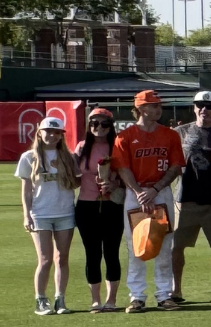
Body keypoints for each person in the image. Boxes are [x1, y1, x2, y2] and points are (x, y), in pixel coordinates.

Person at [113, 89, 185, 312]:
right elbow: (123, 168)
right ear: (141, 108)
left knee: (164, 245)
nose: (158, 109)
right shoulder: (124, 137)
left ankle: (164, 295)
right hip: (135, 195)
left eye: (158, 105)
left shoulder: (170, 135)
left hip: (161, 192)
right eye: (154, 106)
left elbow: (175, 167)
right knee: (136, 246)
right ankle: (137, 296)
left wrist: (155, 189)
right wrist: (139, 192)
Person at [170, 91, 211, 304]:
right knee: (176, 247)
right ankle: (176, 290)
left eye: (209, 106)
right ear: (194, 108)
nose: (204, 109)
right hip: (185, 199)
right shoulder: (179, 132)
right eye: (199, 105)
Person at [17, 116, 79, 315]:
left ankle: (60, 299)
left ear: (61, 135)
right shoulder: (29, 157)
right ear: (39, 132)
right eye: (48, 131)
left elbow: (75, 183)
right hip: (41, 214)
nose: (51, 135)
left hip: (65, 212)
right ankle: (40, 300)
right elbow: (26, 190)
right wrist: (27, 215)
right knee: (44, 259)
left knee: (62, 258)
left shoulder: (69, 157)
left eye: (56, 132)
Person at [73, 108, 125, 312]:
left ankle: (111, 300)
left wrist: (116, 184)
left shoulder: (118, 146)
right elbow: (74, 177)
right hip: (87, 205)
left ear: (111, 126)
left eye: (104, 124)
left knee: (112, 252)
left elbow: (126, 173)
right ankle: (95, 300)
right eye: (94, 123)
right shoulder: (82, 147)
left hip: (112, 205)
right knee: (92, 254)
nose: (99, 128)